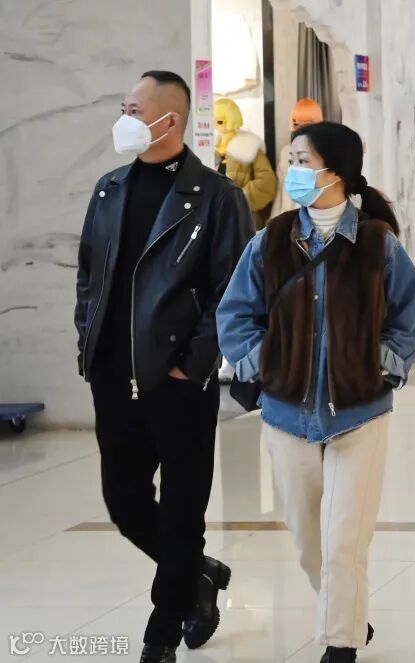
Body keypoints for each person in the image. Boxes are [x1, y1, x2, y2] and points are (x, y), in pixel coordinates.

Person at [216, 121, 415, 663]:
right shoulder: (271, 240)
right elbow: (235, 312)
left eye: (303, 161)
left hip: (360, 412)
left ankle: (339, 642)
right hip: (287, 410)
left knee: (343, 540)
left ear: (337, 172)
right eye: (291, 160)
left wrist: (380, 368)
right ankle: (347, 611)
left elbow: (409, 319)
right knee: (309, 541)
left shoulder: (378, 244)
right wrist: (261, 364)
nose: (294, 171)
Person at [75, 71, 252, 663]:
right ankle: (196, 575)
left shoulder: (217, 197)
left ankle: (162, 632)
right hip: (112, 376)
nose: (123, 117)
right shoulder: (109, 189)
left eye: (133, 108)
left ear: (168, 120)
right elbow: (89, 277)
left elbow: (234, 290)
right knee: (124, 502)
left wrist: (192, 363)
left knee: (181, 514)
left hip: (178, 381)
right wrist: (88, 341)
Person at [214, 97, 277, 230]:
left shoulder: (249, 145)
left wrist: (239, 198)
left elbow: (266, 182)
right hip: (217, 217)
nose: (217, 126)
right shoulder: (213, 147)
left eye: (220, 121)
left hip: (244, 217)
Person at [273, 98, 323, 216]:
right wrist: (274, 220)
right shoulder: (286, 152)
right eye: (296, 124)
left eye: (307, 125)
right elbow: (280, 189)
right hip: (287, 217)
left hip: (314, 218)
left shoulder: (324, 154)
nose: (300, 129)